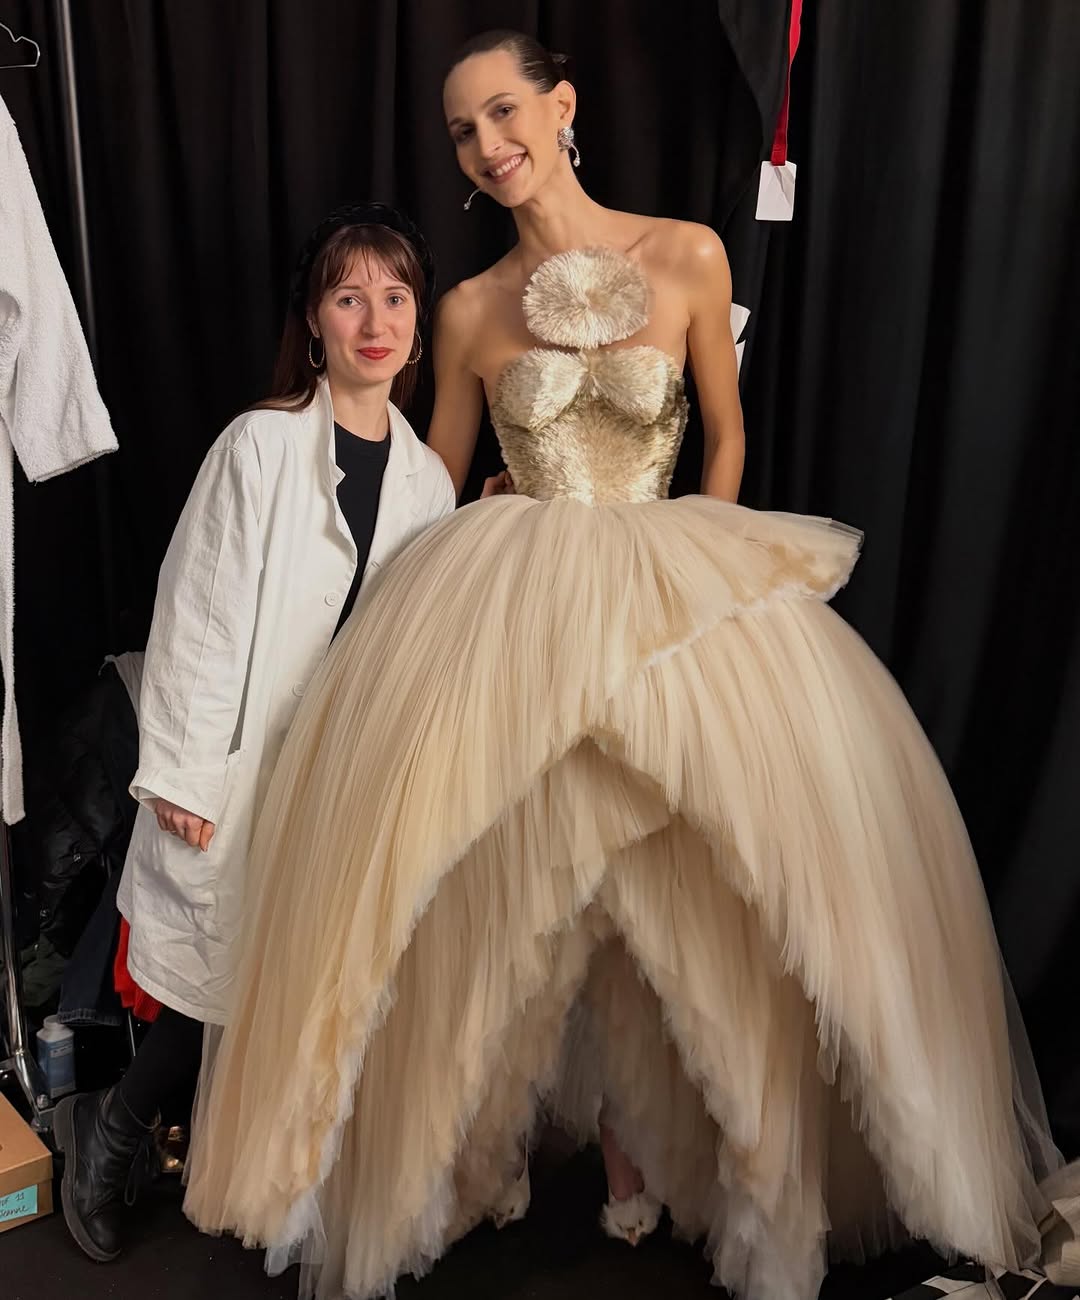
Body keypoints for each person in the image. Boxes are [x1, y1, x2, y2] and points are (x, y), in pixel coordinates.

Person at [182, 31, 1077, 1300]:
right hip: (515, 603)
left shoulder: (688, 254)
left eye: (502, 112)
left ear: (561, 105)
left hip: (669, 589)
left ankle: (727, 1179)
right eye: (460, 131)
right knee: (508, 883)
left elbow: (726, 431)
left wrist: (697, 583)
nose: (487, 146)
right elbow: (434, 482)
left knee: (719, 886)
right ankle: (479, 1153)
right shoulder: (469, 307)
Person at [52, 201, 456, 1264]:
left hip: (343, 784)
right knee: (210, 983)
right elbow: (199, 611)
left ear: (419, 322)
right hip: (237, 765)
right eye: (348, 295)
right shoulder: (262, 446)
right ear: (314, 321)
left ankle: (262, 1180)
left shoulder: (428, 481)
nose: (375, 318)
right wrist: (182, 768)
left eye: (396, 296)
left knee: (303, 993)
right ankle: (108, 1130)